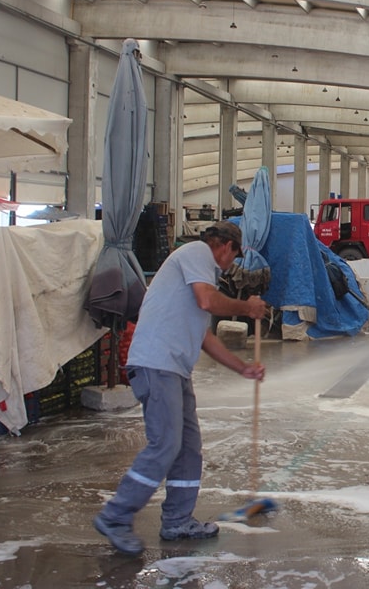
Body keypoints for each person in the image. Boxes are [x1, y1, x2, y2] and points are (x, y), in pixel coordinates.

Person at [94, 221, 268, 557]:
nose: (231, 265)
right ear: (225, 247)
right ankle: (115, 515)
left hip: (175, 370)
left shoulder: (198, 278)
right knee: (167, 444)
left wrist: (243, 368)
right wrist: (246, 307)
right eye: (233, 257)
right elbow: (207, 301)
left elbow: (206, 338)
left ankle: (177, 520)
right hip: (156, 365)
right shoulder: (197, 254)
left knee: (188, 448)